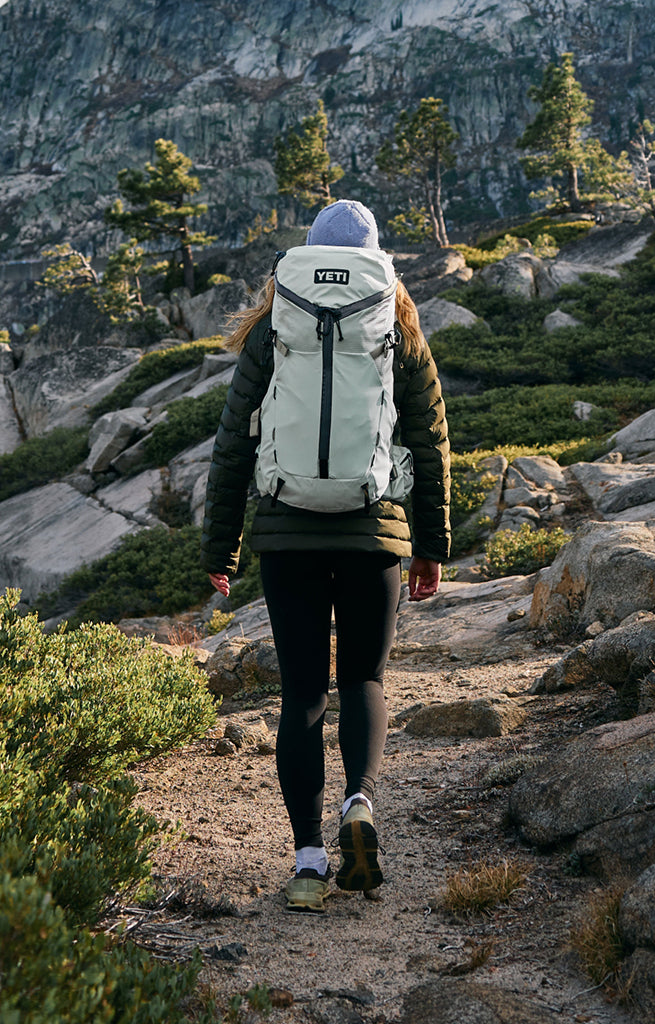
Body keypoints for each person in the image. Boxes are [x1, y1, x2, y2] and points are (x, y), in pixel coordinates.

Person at [199, 199, 451, 913]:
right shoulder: (397, 325)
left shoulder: (275, 325)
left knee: (304, 693)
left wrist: (221, 546)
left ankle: (309, 863)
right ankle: (359, 805)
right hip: (376, 533)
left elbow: (233, 443)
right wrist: (431, 546)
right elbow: (430, 442)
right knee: (365, 678)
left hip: (287, 533)